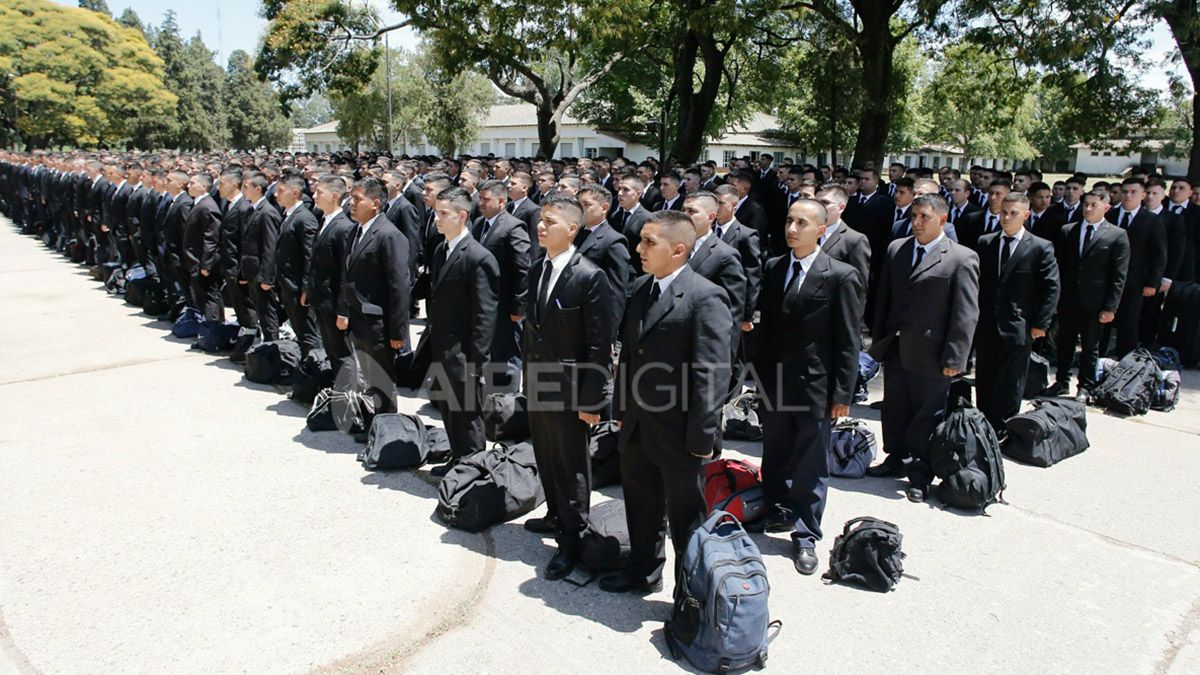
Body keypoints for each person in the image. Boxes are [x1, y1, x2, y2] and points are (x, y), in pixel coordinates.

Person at [601, 211, 732, 595]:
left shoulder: (705, 296)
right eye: (640, 240)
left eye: (649, 242)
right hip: (638, 423)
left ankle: (690, 594)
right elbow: (629, 356)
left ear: (677, 250)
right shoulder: (642, 288)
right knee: (641, 504)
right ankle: (643, 571)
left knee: (686, 518)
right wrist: (621, 410)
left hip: (681, 430)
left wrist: (702, 435)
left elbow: (712, 373)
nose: (639, 249)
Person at [754, 198, 861, 574]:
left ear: (821, 229)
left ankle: (805, 532)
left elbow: (848, 340)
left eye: (801, 223)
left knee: (811, 462)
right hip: (775, 380)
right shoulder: (774, 267)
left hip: (816, 384)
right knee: (775, 451)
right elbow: (767, 329)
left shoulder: (840, 275)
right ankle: (777, 510)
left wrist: (843, 394)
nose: (792, 229)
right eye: (789, 220)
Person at [522, 194, 618, 580]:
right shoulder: (537, 268)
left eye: (550, 222)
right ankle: (555, 514)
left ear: (573, 229)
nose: (541, 227)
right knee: (546, 455)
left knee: (572, 465)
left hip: (572, 389)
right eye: (540, 220)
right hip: (539, 382)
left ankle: (573, 536)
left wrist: (592, 400)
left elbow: (599, 346)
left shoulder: (589, 276)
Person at [866, 194, 980, 503]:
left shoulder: (961, 258)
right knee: (895, 408)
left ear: (942, 220)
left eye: (924, 217)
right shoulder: (897, 249)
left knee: (927, 416)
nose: (916, 222)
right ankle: (895, 458)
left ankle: (920, 473)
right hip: (897, 346)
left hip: (933, 353)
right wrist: (880, 342)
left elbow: (965, 313)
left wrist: (956, 357)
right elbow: (884, 299)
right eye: (913, 216)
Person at [424, 187, 500, 477]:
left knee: (468, 413)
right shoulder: (441, 249)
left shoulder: (478, 257)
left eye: (444, 213)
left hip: (465, 352)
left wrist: (477, 361)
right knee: (449, 407)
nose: (437, 219)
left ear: (463, 216)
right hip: (443, 346)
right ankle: (458, 459)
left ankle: (473, 469)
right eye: (436, 213)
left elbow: (484, 315)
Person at [973, 193, 1060, 432]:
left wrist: (1041, 323)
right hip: (987, 323)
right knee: (985, 376)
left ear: (1026, 215)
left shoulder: (1040, 247)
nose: (1007, 218)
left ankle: (1004, 428)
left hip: (1019, 325)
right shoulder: (986, 242)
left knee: (1010, 381)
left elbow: (1051, 287)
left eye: (1014, 213)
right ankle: (984, 426)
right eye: (1004, 212)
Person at [1045, 191, 1130, 396]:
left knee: (1090, 346)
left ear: (1106, 208)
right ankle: (1061, 381)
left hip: (1096, 301)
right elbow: (1059, 267)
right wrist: (1055, 299)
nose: (1088, 209)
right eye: (1086, 204)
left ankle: (1085, 386)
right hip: (1069, 299)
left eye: (1094, 205)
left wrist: (1110, 307)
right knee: (1065, 343)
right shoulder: (1068, 230)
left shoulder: (1117, 235)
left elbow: (1118, 275)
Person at [472, 179, 532, 388]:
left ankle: (508, 399)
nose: (481, 203)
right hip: (483, 301)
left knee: (507, 354)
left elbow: (523, 269)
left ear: (501, 201)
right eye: (480, 198)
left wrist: (518, 307)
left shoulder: (513, 227)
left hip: (505, 304)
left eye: (486, 199)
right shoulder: (479, 224)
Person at [1103, 177, 1166, 357]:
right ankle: (1098, 358)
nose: (1128, 195)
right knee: (1103, 320)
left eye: (1133, 192)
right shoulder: (1109, 216)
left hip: (1135, 280)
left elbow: (1159, 254)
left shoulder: (1152, 220)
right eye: (1125, 191)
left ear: (1143, 195)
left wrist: (1152, 282)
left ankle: (1125, 361)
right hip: (1107, 278)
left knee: (1129, 322)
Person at [303, 175, 357, 387]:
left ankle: (347, 397)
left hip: (335, 304)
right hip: (322, 300)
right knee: (332, 351)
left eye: (320, 193)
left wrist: (344, 311)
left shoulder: (344, 227)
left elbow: (346, 273)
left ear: (334, 196)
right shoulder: (325, 221)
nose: (314, 196)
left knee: (342, 354)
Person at [273, 174, 321, 357]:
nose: (276, 195)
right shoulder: (288, 214)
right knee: (299, 331)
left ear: (294, 193)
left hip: (298, 287)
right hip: (287, 285)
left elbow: (310, 257)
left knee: (307, 333)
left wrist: (306, 289)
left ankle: (315, 364)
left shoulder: (304, 218)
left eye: (281, 191)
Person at [576, 182, 631, 318]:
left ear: (604, 208)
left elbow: (617, 293)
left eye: (586, 204)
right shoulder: (575, 233)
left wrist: (610, 327)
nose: (580, 209)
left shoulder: (614, 241)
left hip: (593, 314)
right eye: (579, 204)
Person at [240, 171, 282, 342]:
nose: (243, 190)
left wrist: (267, 277)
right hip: (252, 271)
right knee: (261, 313)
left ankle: (272, 346)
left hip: (261, 273)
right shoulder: (252, 209)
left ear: (258, 189)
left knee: (268, 314)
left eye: (246, 187)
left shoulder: (267, 212)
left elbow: (270, 247)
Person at [216, 170, 257, 337]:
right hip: (229, 265)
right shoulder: (229, 205)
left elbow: (247, 242)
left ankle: (251, 339)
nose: (218, 187)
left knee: (247, 307)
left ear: (234, 184)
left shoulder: (244, 207)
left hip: (239, 268)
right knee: (238, 306)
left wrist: (242, 271)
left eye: (221, 183)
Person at [181, 172, 224, 325]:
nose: (188, 186)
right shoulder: (199, 204)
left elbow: (211, 238)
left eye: (193, 183)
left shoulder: (207, 206)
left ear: (203, 186)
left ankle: (213, 329)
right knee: (201, 297)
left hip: (202, 262)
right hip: (195, 260)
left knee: (209, 297)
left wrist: (206, 264)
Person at [609, 174, 651, 274]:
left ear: (638, 194)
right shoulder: (614, 216)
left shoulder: (647, 219)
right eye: (619, 189)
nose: (620, 193)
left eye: (626, 190)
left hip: (634, 273)